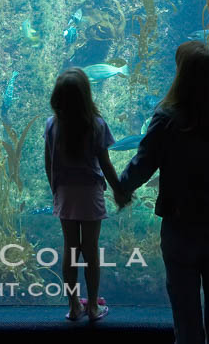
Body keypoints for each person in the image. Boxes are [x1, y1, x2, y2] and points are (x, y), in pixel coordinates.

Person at [116, 41, 209, 344]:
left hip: (181, 230)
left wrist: (121, 187)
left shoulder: (167, 118)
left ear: (180, 74)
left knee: (187, 326)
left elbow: (143, 164)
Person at [45, 67, 128, 322]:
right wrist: (118, 189)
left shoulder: (52, 125)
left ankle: (73, 306)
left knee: (70, 250)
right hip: (91, 193)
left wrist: (55, 190)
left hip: (66, 193)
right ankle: (92, 306)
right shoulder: (97, 124)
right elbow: (105, 163)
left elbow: (49, 163)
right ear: (86, 96)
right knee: (90, 251)